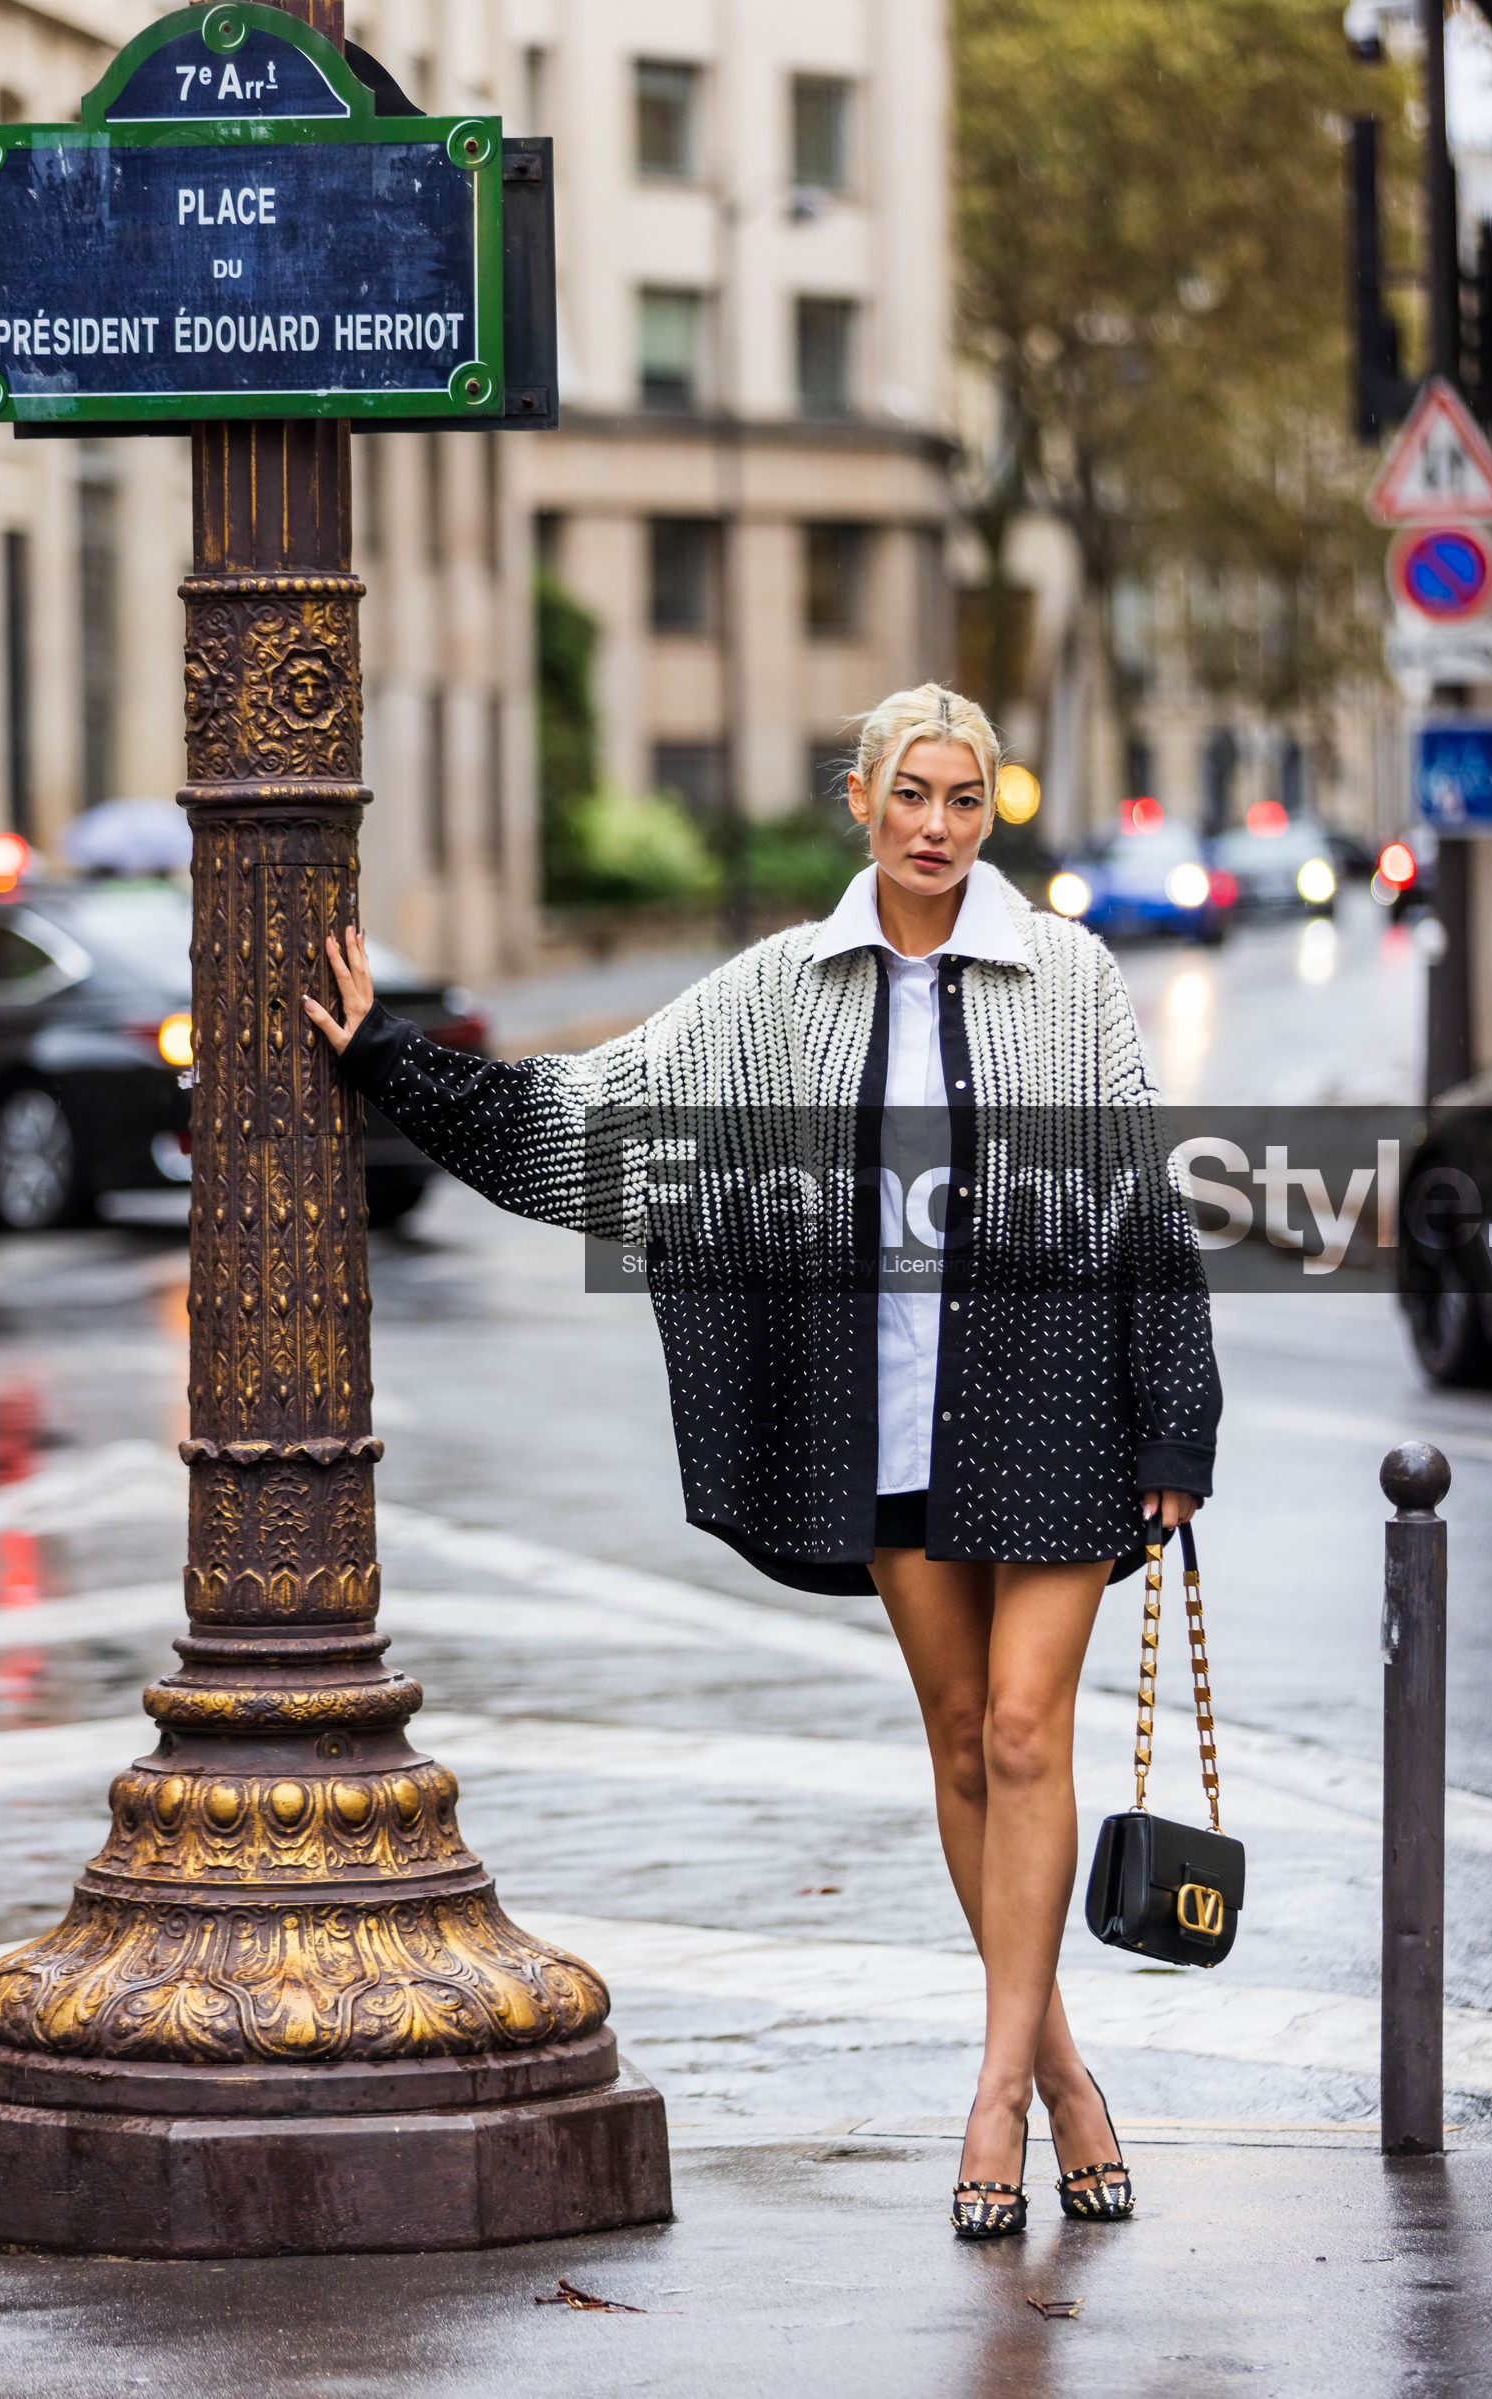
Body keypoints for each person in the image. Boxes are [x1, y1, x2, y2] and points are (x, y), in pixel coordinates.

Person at [304, 682, 1219, 2240]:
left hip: (1055, 1394)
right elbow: (590, 1118)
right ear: (859, 801)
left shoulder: (1067, 975)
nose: (938, 826)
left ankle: (993, 2100)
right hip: (889, 1415)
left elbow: (1142, 1196)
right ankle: (1062, 2073)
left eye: (966, 799)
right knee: (956, 1737)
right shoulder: (780, 995)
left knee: (1021, 1731)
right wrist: (391, 1059)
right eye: (912, 794)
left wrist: (1176, 1414)